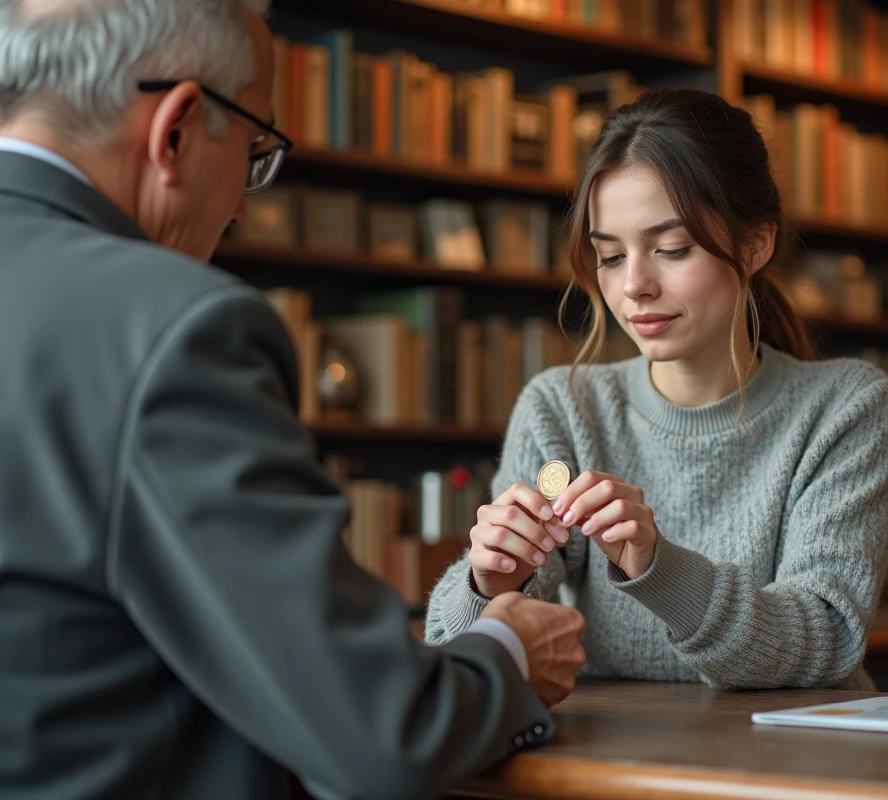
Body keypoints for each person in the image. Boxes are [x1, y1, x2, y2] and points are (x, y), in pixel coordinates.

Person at [0, 1, 586, 798]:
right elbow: (380, 734)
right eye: (252, 151)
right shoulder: (169, 326)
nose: (244, 205)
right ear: (175, 128)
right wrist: (507, 652)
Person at [426, 87, 888, 692]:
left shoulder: (845, 407)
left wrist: (661, 569)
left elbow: (827, 639)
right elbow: (455, 660)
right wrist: (488, 582)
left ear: (755, 244)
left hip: (790, 766)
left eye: (671, 249)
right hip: (611, 769)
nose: (634, 286)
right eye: (610, 256)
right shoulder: (562, 408)